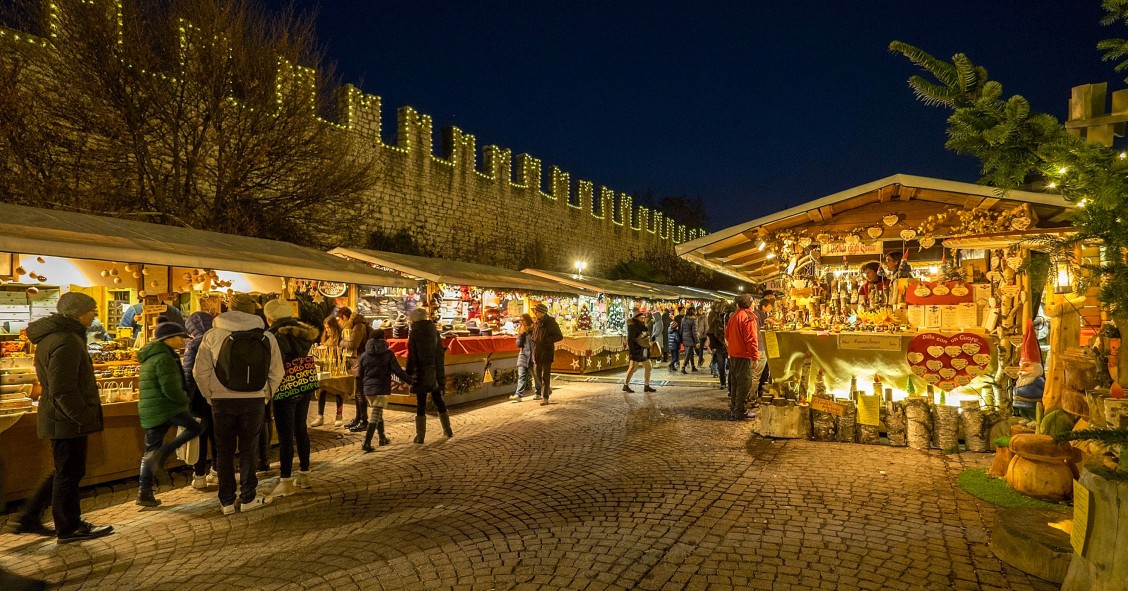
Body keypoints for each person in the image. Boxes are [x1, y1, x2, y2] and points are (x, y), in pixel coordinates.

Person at [17, 292, 114, 542]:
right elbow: (63, 389)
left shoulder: (59, 337)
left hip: (62, 416)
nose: (94, 315)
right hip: (66, 419)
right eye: (92, 310)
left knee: (66, 470)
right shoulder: (66, 340)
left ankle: (32, 517)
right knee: (68, 473)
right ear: (79, 313)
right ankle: (68, 527)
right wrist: (82, 416)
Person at [193, 294, 283, 514]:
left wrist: (210, 394)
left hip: (221, 401)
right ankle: (248, 498)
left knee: (223, 451)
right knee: (249, 449)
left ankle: (226, 501)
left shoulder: (212, 335)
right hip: (253, 400)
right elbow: (277, 372)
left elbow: (199, 371)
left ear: (228, 309)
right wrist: (265, 395)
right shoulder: (266, 337)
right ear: (252, 310)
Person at [136, 322, 204, 507]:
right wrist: (184, 400)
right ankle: (164, 452)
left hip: (152, 408)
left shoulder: (153, 355)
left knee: (151, 450)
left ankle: (145, 492)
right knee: (196, 426)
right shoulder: (164, 358)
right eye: (180, 337)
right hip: (166, 408)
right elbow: (171, 388)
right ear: (169, 339)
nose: (183, 341)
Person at [263, 299, 320, 496]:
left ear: (270, 317)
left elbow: (274, 363)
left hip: (285, 383)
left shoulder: (273, 335)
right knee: (300, 428)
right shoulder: (304, 333)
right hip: (304, 381)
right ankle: (304, 473)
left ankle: (285, 479)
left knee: (285, 433)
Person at [359, 331, 412, 451]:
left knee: (378, 411)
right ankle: (366, 442)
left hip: (368, 389)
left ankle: (382, 438)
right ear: (383, 339)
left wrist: (365, 385)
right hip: (381, 387)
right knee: (376, 414)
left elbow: (360, 374)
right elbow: (397, 371)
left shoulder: (363, 355)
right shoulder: (388, 354)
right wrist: (410, 380)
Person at [183, 311, 217, 489]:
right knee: (217, 435)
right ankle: (217, 471)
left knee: (200, 437)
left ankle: (199, 475)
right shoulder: (219, 340)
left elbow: (189, 376)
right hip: (218, 395)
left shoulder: (194, 345)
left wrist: (186, 401)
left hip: (198, 398)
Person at [406, 308, 452, 442]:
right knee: (438, 400)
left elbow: (412, 356)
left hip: (421, 372)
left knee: (421, 402)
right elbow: (439, 356)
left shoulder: (414, 333)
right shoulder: (435, 332)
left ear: (414, 320)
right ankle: (447, 430)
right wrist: (440, 375)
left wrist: (409, 374)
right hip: (434, 372)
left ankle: (420, 436)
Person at [725, 294, 764, 421]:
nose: (754, 305)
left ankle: (734, 408)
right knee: (744, 384)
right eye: (753, 303)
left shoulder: (733, 316)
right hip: (743, 355)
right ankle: (740, 411)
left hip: (734, 355)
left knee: (735, 383)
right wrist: (755, 356)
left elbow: (727, 335)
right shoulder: (748, 318)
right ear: (749, 304)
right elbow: (752, 339)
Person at [338, 307, 371, 433]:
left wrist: (341, 342)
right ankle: (358, 418)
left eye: (339, 319)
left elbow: (353, 344)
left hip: (361, 362)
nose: (339, 323)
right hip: (356, 362)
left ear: (344, 317)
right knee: (357, 392)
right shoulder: (353, 326)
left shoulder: (358, 326)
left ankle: (363, 420)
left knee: (360, 392)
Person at [311, 316, 345, 427]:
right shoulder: (326, 336)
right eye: (326, 328)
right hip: (326, 366)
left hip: (337, 366)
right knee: (322, 389)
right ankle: (320, 416)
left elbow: (342, 350)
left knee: (338, 390)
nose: (327, 330)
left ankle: (339, 415)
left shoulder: (340, 337)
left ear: (334, 327)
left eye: (329, 328)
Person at [530, 303, 564, 406]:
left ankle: (545, 397)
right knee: (537, 373)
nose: (535, 313)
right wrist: (534, 338)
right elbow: (534, 334)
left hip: (546, 351)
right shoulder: (537, 322)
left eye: (536, 311)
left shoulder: (551, 322)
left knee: (545, 375)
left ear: (542, 312)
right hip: (537, 351)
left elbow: (559, 336)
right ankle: (547, 389)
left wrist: (546, 340)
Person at [623, 310, 657, 393]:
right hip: (636, 351)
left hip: (644, 350)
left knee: (648, 367)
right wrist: (632, 352)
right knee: (632, 368)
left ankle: (646, 385)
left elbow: (646, 336)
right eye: (641, 317)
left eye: (643, 317)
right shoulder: (632, 326)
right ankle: (625, 385)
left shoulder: (643, 325)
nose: (643, 318)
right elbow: (630, 340)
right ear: (637, 317)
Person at [510, 314, 535, 402]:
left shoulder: (534, 329)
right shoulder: (521, 330)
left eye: (522, 320)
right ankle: (518, 395)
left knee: (537, 376)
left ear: (527, 320)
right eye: (520, 320)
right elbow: (518, 344)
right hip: (523, 356)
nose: (521, 322)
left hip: (533, 356)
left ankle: (540, 392)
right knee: (521, 376)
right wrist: (522, 334)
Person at [754, 297, 775, 397]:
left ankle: (756, 393)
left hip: (759, 346)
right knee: (756, 374)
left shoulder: (759, 314)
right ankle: (751, 397)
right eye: (770, 307)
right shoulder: (759, 315)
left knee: (758, 373)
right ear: (764, 307)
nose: (771, 308)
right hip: (760, 346)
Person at [707, 304, 730, 390]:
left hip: (728, 345)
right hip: (719, 345)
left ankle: (729, 384)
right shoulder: (716, 320)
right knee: (721, 365)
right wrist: (713, 346)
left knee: (729, 365)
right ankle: (723, 383)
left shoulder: (730, 320)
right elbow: (711, 333)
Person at [679, 306, 700, 373]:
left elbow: (681, 329)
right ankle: (683, 367)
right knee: (688, 353)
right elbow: (695, 332)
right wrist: (697, 341)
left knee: (690, 353)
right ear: (693, 311)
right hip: (690, 338)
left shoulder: (683, 319)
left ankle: (693, 366)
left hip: (684, 337)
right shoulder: (694, 320)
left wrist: (681, 338)